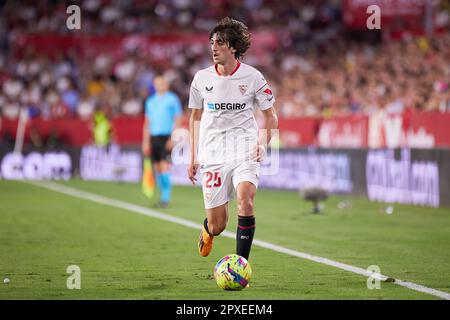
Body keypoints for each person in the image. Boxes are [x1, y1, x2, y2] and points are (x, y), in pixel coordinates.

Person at [187, 17, 278, 261]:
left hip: (244, 150)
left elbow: (271, 117)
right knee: (219, 225)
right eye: (212, 42)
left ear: (234, 47)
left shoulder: (253, 78)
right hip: (213, 154)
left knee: (245, 201)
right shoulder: (201, 79)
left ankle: (241, 266)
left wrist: (261, 144)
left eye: (220, 42)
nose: (213, 47)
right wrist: (193, 156)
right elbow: (195, 117)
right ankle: (208, 230)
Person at [142, 75, 183, 207]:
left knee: (164, 166)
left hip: (166, 137)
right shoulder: (150, 101)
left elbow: (178, 119)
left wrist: (173, 137)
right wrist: (146, 141)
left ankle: (166, 198)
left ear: (166, 84)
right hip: (154, 137)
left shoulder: (172, 99)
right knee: (157, 167)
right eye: (157, 83)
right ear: (154, 85)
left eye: (162, 83)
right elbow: (147, 123)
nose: (160, 85)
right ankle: (162, 197)